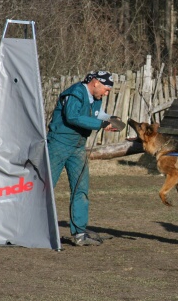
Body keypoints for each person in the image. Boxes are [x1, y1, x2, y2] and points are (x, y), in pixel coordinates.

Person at [47, 70, 120, 246]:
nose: (106, 93)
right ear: (96, 83)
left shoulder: (95, 98)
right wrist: (101, 124)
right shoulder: (74, 93)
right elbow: (73, 117)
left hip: (78, 146)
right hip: (58, 144)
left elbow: (97, 115)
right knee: (45, 188)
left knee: (81, 189)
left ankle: (79, 234)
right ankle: (32, 229)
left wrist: (111, 120)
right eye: (106, 89)